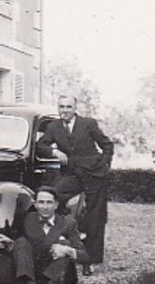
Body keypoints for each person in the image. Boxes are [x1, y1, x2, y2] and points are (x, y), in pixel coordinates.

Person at [36, 94, 114, 272]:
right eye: (61, 107)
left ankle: (92, 258)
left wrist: (104, 165)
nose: (64, 110)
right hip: (72, 173)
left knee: (95, 214)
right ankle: (61, 237)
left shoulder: (89, 124)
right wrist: (54, 152)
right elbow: (42, 145)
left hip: (95, 174)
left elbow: (107, 145)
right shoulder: (54, 127)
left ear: (75, 108)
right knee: (54, 196)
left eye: (68, 107)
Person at [8, 185, 88, 284]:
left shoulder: (68, 223)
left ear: (56, 205)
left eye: (49, 202)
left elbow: (85, 255)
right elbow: (17, 243)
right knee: (21, 241)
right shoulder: (27, 219)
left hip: (58, 274)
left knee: (64, 244)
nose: (44, 207)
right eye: (41, 202)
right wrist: (8, 240)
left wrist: (67, 250)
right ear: (35, 204)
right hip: (33, 271)